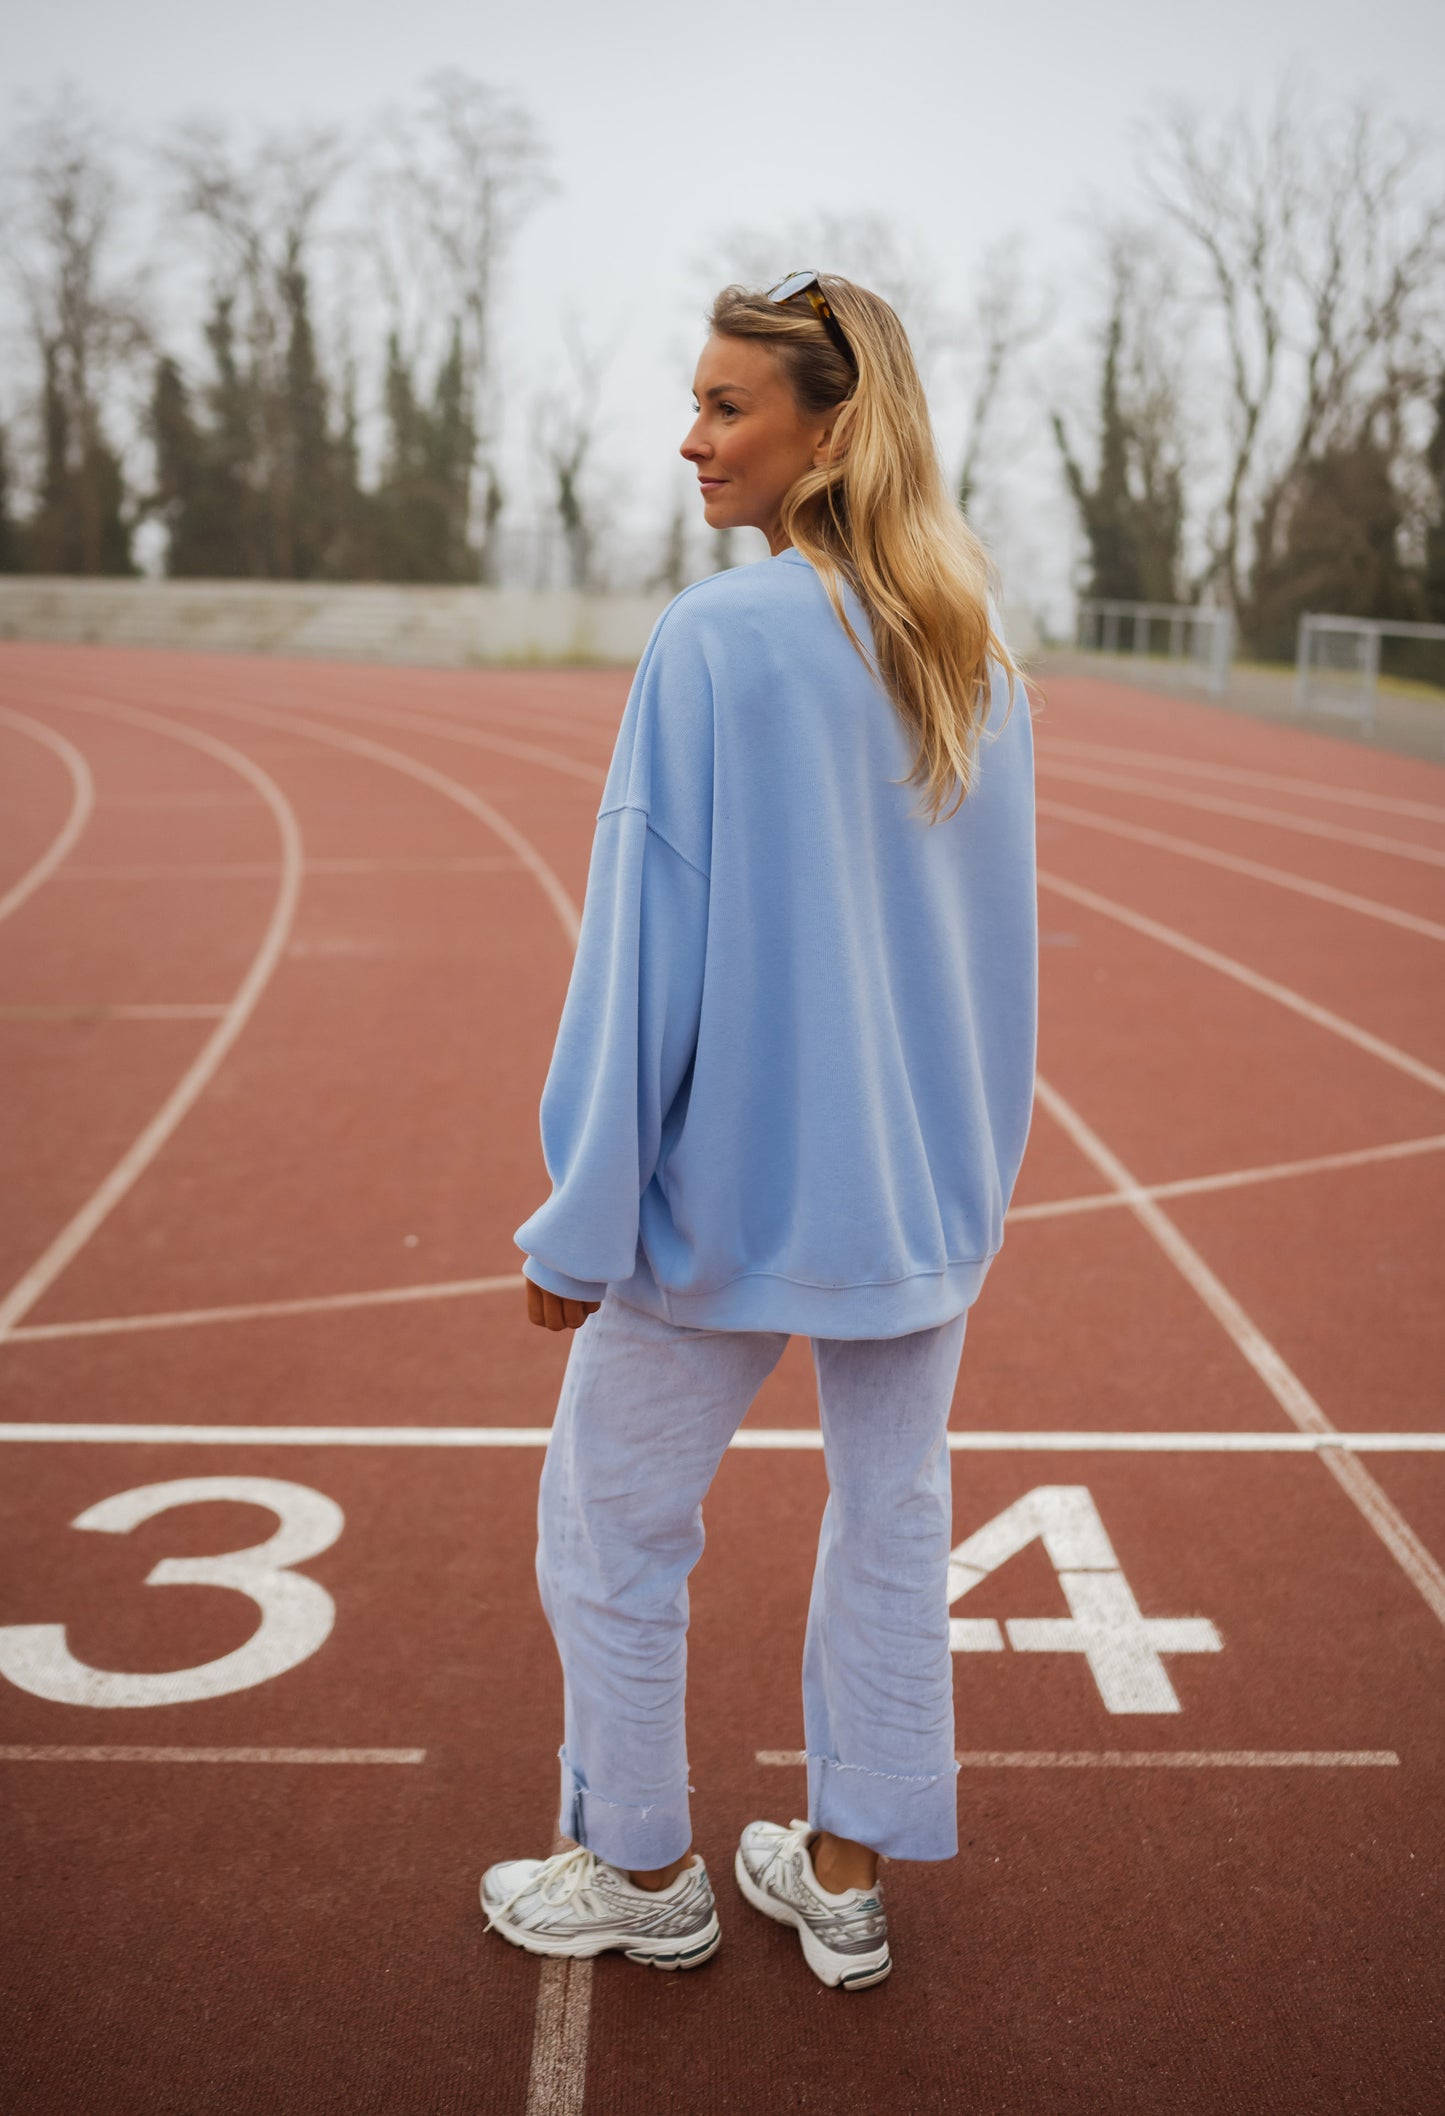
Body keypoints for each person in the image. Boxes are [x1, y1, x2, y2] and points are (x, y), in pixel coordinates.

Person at [480, 270, 1037, 1991]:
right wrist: (963, 1190)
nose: (693, 438)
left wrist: (585, 1213)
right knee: (893, 1520)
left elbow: (641, 949)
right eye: (697, 402)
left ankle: (643, 1867)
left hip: (722, 1192)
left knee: (608, 1526)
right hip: (916, 1193)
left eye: (728, 406)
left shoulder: (718, 638)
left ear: (833, 430)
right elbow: (994, 961)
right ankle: (844, 1874)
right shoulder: (973, 654)